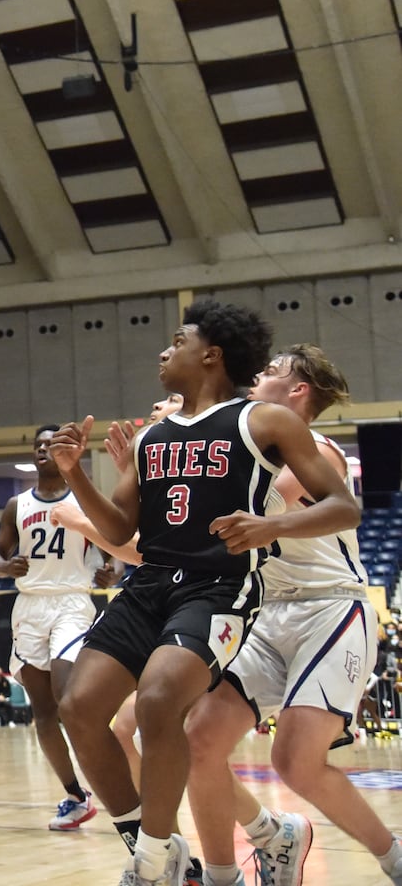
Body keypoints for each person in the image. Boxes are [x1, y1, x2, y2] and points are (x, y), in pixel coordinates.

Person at [49, 300, 361, 886]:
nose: (165, 351)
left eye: (177, 340)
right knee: (79, 707)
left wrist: (272, 527)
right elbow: (119, 530)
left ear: (211, 355)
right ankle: (155, 846)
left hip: (219, 587)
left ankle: (150, 862)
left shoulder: (264, 422)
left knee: (160, 699)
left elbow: (345, 507)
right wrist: (74, 473)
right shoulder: (151, 439)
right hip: (149, 584)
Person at [185, 345, 402, 886]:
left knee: (295, 762)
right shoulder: (253, 453)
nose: (258, 377)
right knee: (198, 741)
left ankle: (394, 859)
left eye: (272, 371)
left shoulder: (316, 452)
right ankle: (224, 872)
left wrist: (188, 438)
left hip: (330, 610)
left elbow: (248, 512)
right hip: (270, 613)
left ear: (297, 390)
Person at [0, 423, 125, 831]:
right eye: (38, 445)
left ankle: (116, 781)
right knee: (44, 713)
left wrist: (112, 574)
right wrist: (5, 568)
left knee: (69, 700)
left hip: (71, 603)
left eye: (51, 443)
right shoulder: (16, 505)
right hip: (29, 606)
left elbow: (114, 554)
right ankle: (75, 795)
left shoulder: (84, 500)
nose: (43, 449)